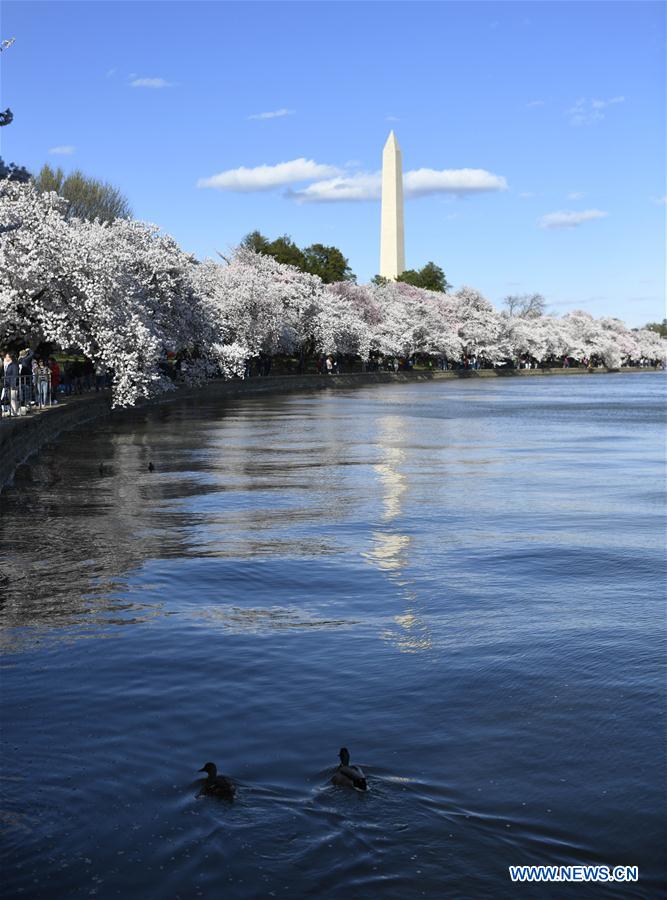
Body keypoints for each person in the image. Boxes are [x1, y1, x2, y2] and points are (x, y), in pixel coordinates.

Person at [3, 351, 20, 416]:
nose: (5, 357)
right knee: (12, 399)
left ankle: (14, 413)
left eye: (7, 356)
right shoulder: (10, 364)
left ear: (10, 357)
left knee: (13, 399)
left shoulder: (14, 364)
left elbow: (15, 375)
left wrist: (14, 385)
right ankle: (14, 412)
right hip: (9, 384)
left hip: (13, 385)